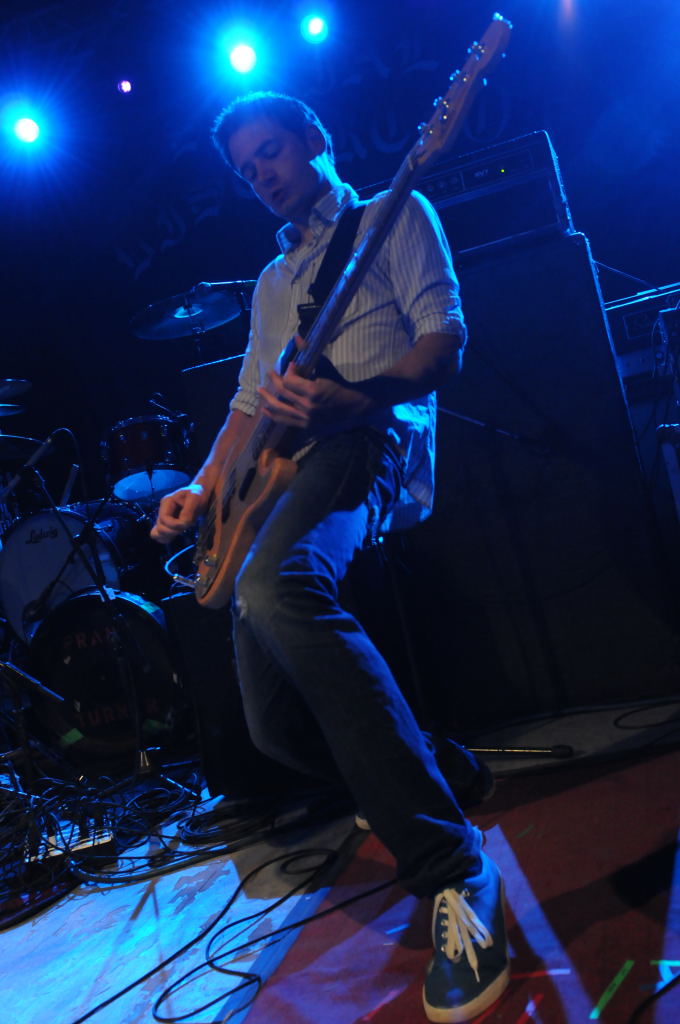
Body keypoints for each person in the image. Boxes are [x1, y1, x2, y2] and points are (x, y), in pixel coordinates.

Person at [151, 91, 509, 1022]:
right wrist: (201, 487)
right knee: (273, 731)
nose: (262, 175)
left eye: (272, 152)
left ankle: (454, 869)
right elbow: (246, 404)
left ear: (315, 140)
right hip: (281, 470)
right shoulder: (273, 283)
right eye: (246, 169)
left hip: (367, 437)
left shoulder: (394, 213)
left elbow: (445, 344)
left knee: (276, 588)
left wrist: (358, 397)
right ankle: (427, 764)